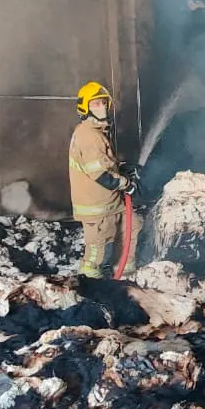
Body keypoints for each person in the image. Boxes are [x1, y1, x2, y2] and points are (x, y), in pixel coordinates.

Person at [68, 82, 141, 278]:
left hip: (110, 202)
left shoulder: (97, 132)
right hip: (96, 206)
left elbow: (104, 164)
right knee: (95, 252)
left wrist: (122, 167)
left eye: (102, 103)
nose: (100, 108)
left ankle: (123, 269)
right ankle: (90, 286)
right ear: (85, 108)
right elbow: (100, 174)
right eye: (95, 104)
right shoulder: (89, 136)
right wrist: (126, 184)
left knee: (132, 225)